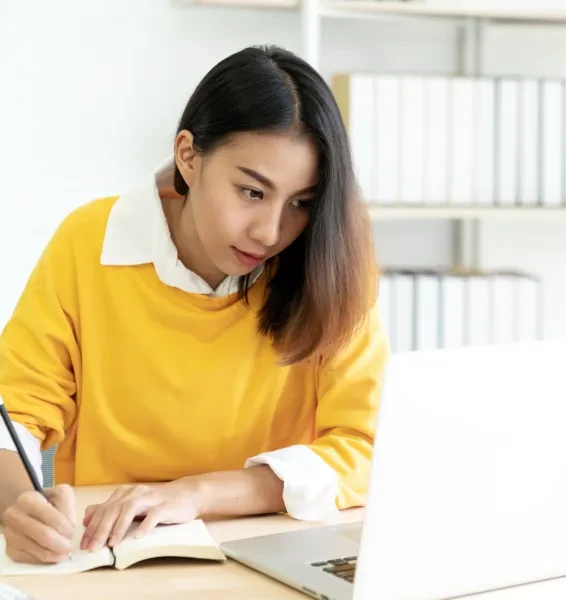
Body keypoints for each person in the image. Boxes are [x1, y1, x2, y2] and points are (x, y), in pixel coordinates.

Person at [0, 44, 389, 565]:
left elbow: (368, 447)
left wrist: (196, 493)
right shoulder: (89, 241)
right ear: (189, 155)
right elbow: (15, 412)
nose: (271, 231)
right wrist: (17, 507)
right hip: (111, 555)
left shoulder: (333, 263)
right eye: (252, 192)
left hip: (280, 555)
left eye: (302, 203)